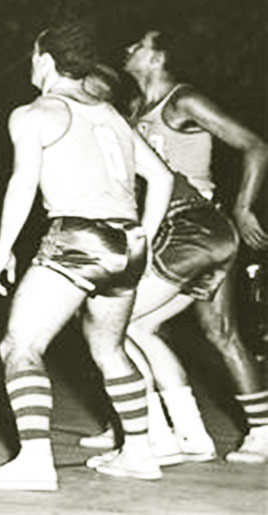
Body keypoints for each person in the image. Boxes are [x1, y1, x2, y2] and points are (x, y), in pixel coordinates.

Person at [0, 21, 174, 491]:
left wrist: (3, 249)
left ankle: (35, 462)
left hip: (79, 237)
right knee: (110, 348)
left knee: (20, 344)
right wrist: (144, 230)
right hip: (129, 243)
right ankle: (140, 453)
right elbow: (161, 178)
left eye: (33, 54)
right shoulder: (110, 114)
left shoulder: (35, 112)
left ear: (45, 60)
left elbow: (22, 183)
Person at [79, 28, 268, 464]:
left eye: (138, 43)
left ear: (159, 56)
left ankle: (259, 429)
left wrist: (243, 207)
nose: (128, 46)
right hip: (159, 228)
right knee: (131, 324)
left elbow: (254, 145)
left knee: (217, 330)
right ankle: (141, 424)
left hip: (195, 227)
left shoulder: (184, 101)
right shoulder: (131, 109)